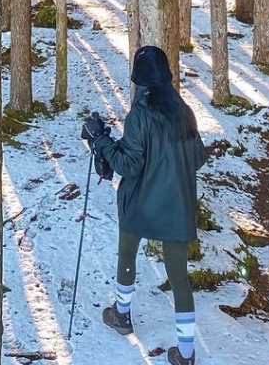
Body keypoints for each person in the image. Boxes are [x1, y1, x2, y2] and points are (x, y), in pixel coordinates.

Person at [81, 45, 208, 365]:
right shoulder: (183, 112)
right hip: (177, 207)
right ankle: (187, 353)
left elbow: (128, 165)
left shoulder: (140, 115)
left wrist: (100, 142)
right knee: (179, 278)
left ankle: (121, 315)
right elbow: (198, 158)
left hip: (139, 204)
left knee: (127, 254)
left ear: (140, 81)